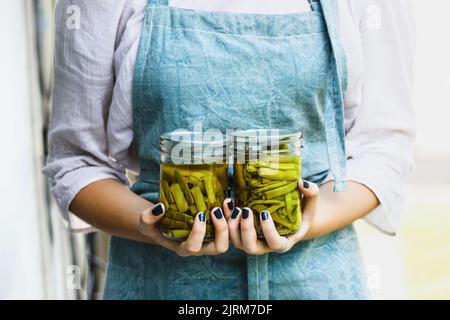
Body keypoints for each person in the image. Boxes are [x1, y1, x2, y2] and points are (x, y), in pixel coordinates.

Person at [43, 0, 415, 299]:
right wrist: (152, 224)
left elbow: (383, 146)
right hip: (159, 283)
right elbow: (76, 161)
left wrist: (307, 221)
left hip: (316, 282)